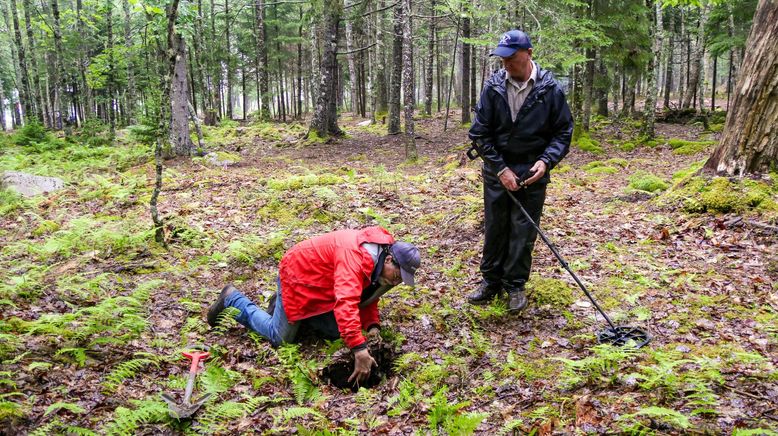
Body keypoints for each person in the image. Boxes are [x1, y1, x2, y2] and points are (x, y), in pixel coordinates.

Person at [207, 226, 420, 385]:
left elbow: (366, 295)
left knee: (336, 331)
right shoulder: (355, 257)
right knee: (280, 338)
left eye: (402, 280)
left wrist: (372, 325)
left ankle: (284, 308)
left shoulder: (380, 257)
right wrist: (359, 349)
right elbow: (347, 302)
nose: (396, 282)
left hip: (324, 283)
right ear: (391, 259)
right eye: (398, 276)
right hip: (299, 275)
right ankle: (232, 299)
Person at [467, 29, 573, 312]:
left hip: (532, 171)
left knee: (523, 230)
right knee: (495, 225)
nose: (507, 64)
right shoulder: (493, 88)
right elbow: (479, 134)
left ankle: (515, 285)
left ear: (529, 54)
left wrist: (546, 161)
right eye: (503, 59)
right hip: (496, 169)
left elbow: (563, 133)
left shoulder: (551, 90)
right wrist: (500, 168)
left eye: (512, 58)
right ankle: (491, 281)